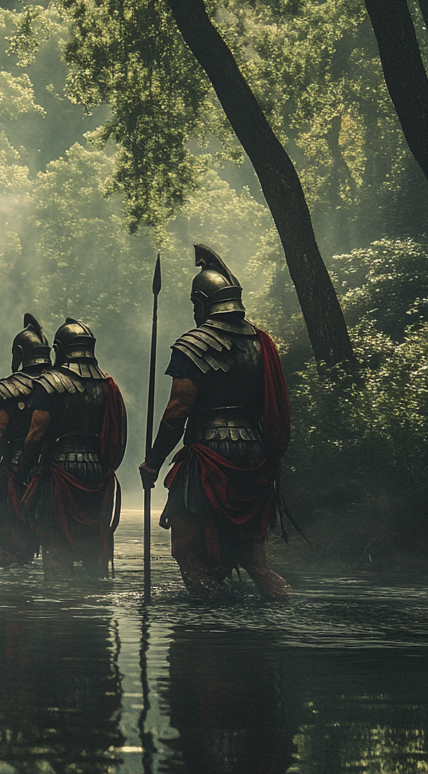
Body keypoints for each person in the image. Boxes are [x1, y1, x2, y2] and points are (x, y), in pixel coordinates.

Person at [139, 244, 292, 601]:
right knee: (256, 563)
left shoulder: (193, 344)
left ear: (203, 304)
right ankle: (281, 613)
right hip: (253, 453)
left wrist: (154, 461)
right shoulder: (260, 343)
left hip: (206, 456)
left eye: (196, 305)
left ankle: (209, 630)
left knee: (188, 553)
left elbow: (178, 408)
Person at [16, 319, 127, 578]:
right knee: (92, 550)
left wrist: (23, 476)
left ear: (60, 349)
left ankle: (59, 608)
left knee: (56, 548)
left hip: (58, 473)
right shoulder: (107, 385)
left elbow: (35, 435)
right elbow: (118, 437)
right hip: (97, 474)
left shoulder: (49, 382)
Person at [0, 313, 51, 566]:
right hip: (55, 472)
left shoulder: (10, 388)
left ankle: (12, 602)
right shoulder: (63, 384)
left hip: (17, 473)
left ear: (19, 353)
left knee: (10, 549)